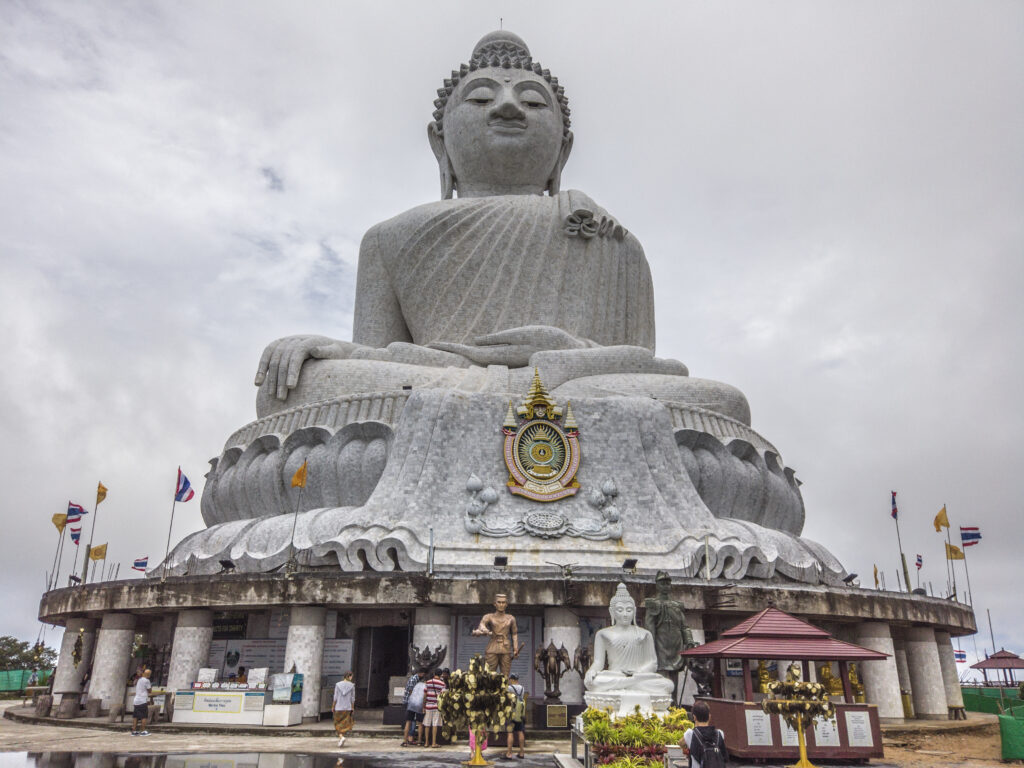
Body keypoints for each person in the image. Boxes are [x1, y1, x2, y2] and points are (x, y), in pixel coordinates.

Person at [584, 583, 674, 696]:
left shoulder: (645, 634)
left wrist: (638, 673)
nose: (625, 614)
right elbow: (598, 663)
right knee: (593, 682)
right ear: (612, 611)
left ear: (634, 611)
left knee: (668, 685)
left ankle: (627, 684)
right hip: (616, 676)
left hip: (638, 676)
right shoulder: (603, 634)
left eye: (629, 610)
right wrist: (591, 671)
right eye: (620, 610)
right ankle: (629, 684)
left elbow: (652, 663)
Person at [471, 593, 521, 679]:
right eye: (499, 602)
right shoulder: (489, 617)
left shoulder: (511, 618)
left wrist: (515, 649)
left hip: (505, 648)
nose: (501, 604)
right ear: (495, 604)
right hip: (492, 647)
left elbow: (514, 634)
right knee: (488, 674)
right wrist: (485, 630)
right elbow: (481, 625)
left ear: (506, 604)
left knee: (505, 676)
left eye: (503, 602)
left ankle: (504, 691)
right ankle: (489, 691)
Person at [681, 700, 727, 768]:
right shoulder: (719, 733)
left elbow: (680, 743)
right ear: (709, 716)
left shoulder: (690, 734)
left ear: (694, 717)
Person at [401, 668, 426, 746]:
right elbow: (411, 692)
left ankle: (405, 741)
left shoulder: (416, 679)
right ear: (421, 673)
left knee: (409, 722)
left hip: (411, 703)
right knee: (419, 723)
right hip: (415, 703)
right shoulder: (415, 680)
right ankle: (417, 741)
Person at [422, 669, 447, 748]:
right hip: (436, 706)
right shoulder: (442, 684)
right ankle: (433, 743)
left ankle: (426, 742)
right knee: (435, 724)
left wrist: (423, 706)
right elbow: (442, 696)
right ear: (440, 675)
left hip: (428, 706)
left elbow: (425, 695)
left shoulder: (428, 682)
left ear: (434, 673)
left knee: (427, 724)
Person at [505, 672, 526, 759]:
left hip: (511, 712)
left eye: (510, 679)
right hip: (520, 713)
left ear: (513, 680)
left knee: (510, 733)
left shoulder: (509, 688)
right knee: (520, 731)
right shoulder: (522, 688)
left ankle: (509, 753)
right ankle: (521, 752)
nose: (509, 680)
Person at [332, 671, 356, 748]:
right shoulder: (352, 686)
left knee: (337, 723)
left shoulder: (338, 685)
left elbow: (335, 697)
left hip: (339, 707)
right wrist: (352, 707)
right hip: (347, 707)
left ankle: (341, 737)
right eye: (351, 676)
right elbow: (353, 698)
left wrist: (333, 706)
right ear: (349, 676)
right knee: (345, 723)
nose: (352, 678)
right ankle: (342, 737)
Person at [131, 668, 152, 736]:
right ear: (148, 674)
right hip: (142, 700)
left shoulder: (139, 680)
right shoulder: (146, 680)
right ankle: (142, 731)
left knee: (136, 716)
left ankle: (134, 731)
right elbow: (150, 691)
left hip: (136, 700)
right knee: (144, 716)